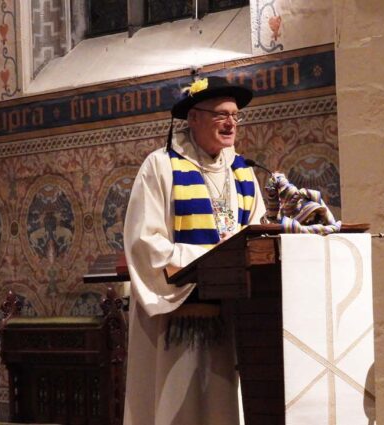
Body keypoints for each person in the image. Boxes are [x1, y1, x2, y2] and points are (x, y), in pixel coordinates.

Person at [123, 76, 266, 425]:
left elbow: (258, 233)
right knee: (177, 408)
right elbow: (144, 241)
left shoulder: (242, 171)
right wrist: (209, 258)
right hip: (175, 316)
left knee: (222, 408)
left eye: (235, 115)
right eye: (221, 115)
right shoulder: (161, 166)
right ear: (194, 118)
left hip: (228, 315)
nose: (231, 123)